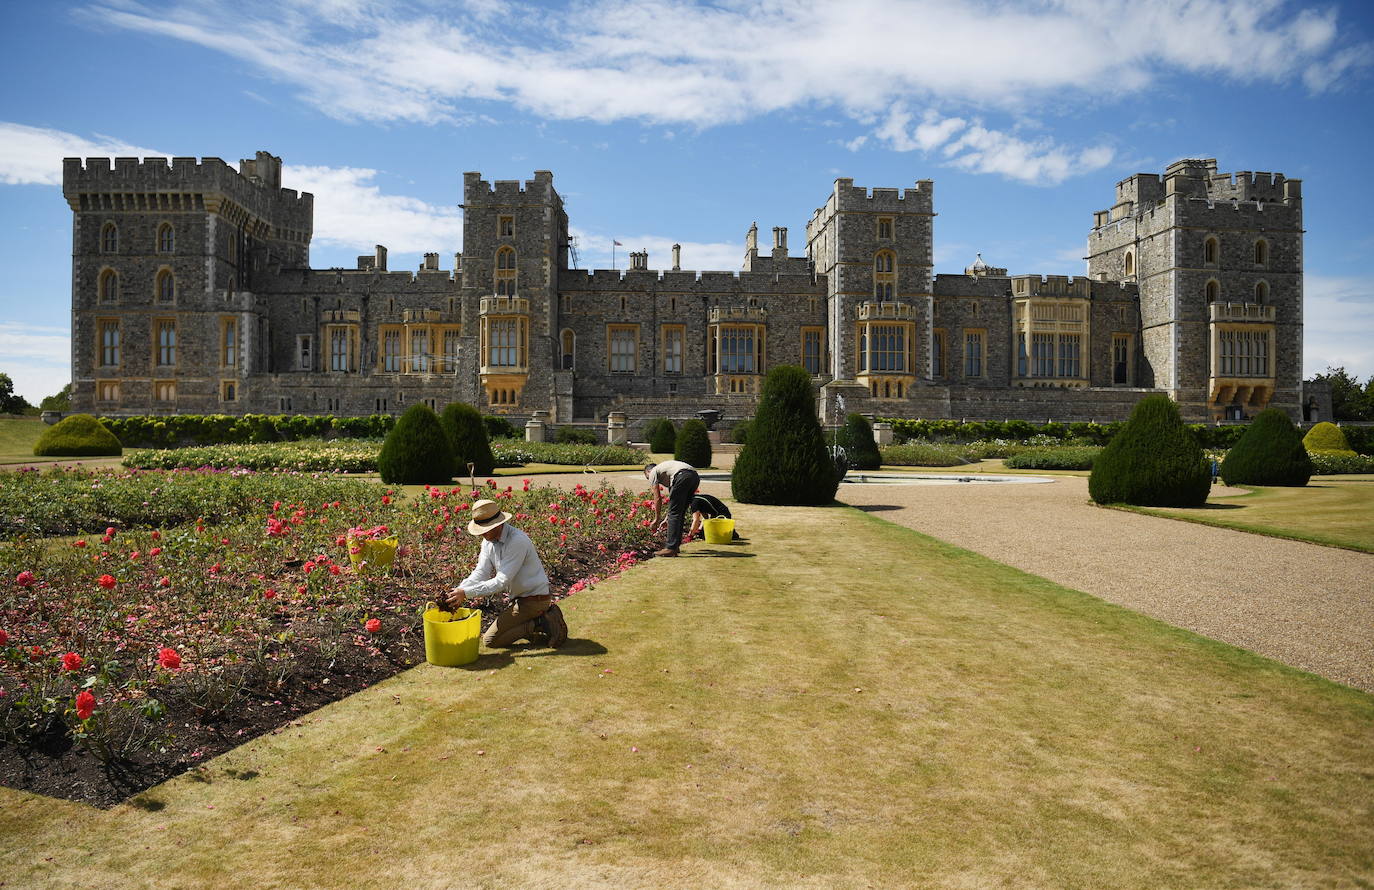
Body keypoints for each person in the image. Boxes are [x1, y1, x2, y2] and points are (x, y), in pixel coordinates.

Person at [439, 499, 568, 648]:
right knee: (498, 636)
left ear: (498, 524)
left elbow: (501, 581)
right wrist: (459, 591)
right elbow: (481, 572)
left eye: (485, 528)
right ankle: (538, 624)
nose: (483, 533)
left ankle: (542, 622)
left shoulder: (516, 541)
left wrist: (466, 593)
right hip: (520, 600)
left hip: (534, 600)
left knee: (490, 640)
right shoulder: (488, 541)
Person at [644, 459, 699, 557]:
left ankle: (670, 548)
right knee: (680, 512)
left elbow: (657, 498)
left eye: (647, 477)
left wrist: (657, 519)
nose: (649, 480)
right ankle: (675, 546)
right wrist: (666, 519)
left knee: (676, 513)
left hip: (682, 476)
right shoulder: (668, 472)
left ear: (648, 472)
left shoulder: (653, 472)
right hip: (694, 477)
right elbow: (674, 505)